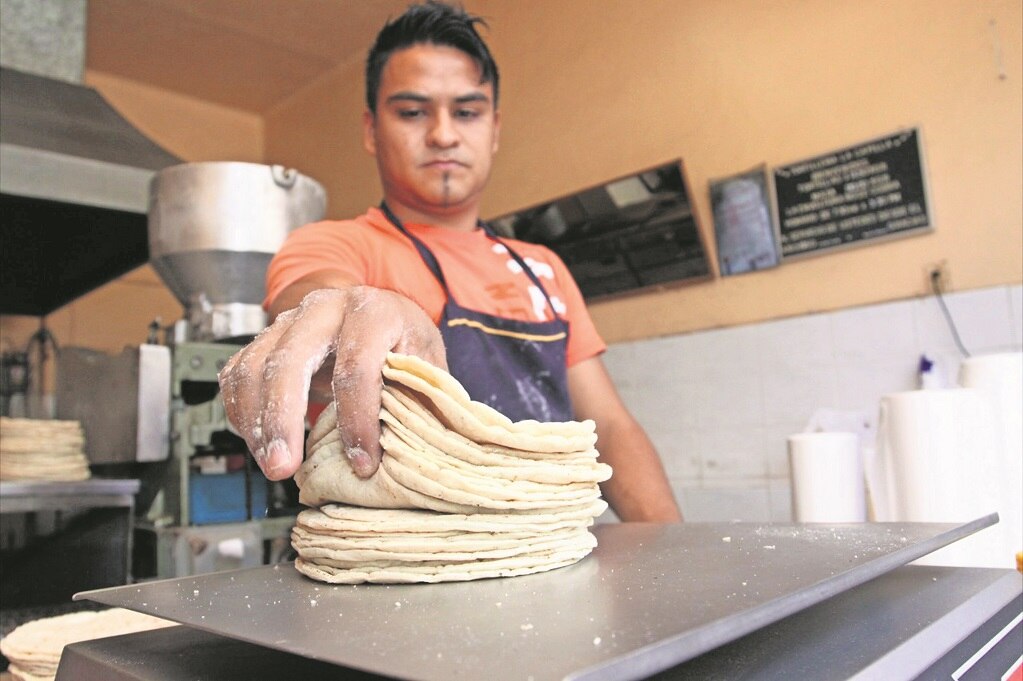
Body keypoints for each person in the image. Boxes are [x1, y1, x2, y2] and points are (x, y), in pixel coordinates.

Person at [218, 0, 682, 522]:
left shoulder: (542, 268)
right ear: (372, 130)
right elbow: (319, 299)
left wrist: (667, 549)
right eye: (412, 112)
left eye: (466, 111)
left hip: (547, 550)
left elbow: (611, 427)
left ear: (494, 127)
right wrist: (361, 309)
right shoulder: (334, 244)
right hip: (393, 575)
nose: (442, 133)